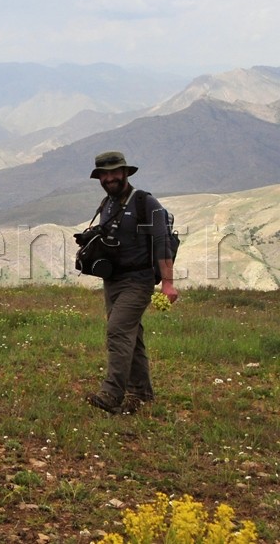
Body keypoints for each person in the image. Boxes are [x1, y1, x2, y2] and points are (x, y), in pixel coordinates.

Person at [84, 151, 179, 415]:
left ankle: (111, 394)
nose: (109, 178)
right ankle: (141, 393)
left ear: (125, 172)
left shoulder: (146, 203)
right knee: (131, 336)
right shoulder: (107, 204)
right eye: (104, 174)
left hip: (139, 280)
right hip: (113, 281)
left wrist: (168, 283)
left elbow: (162, 243)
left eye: (115, 172)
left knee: (117, 330)